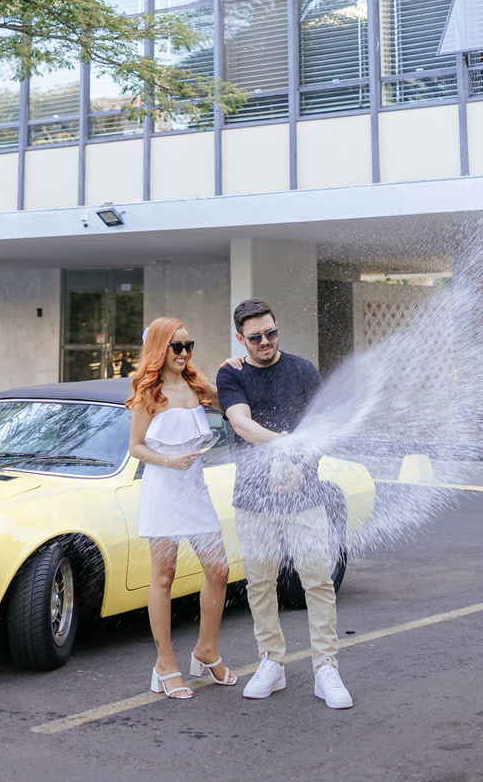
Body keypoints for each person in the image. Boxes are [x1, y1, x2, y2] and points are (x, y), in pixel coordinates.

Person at [215, 298, 353, 711]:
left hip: (304, 494)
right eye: (255, 337)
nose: (265, 342)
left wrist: (300, 462)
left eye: (270, 333)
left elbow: (322, 429)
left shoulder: (304, 371)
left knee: (318, 581)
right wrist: (285, 447)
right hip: (252, 497)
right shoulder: (231, 374)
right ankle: (271, 662)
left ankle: (325, 667)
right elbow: (241, 423)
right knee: (259, 582)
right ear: (241, 339)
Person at [126, 317, 237, 701]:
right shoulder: (148, 393)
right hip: (162, 487)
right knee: (163, 577)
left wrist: (232, 371)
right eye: (177, 346)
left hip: (194, 489)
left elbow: (230, 401)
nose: (184, 353)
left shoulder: (195, 384)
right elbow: (136, 447)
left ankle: (206, 650)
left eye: (189, 345)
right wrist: (167, 461)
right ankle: (165, 664)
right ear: (160, 348)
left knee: (219, 569)